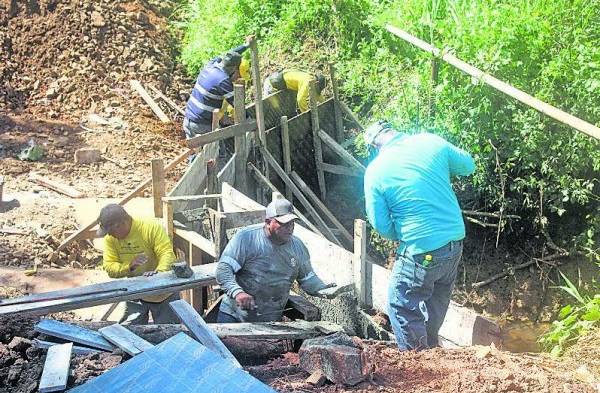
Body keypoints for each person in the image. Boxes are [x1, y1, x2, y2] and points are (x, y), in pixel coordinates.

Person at [363, 121, 475, 350]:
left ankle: (419, 360)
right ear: (395, 131)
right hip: (454, 243)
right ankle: (431, 347)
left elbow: (381, 225)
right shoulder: (430, 141)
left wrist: (407, 234)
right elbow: (468, 165)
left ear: (375, 146)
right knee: (436, 299)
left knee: (400, 304)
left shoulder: (375, 171)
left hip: (422, 250)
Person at [215, 198, 338, 323]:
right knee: (224, 342)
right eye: (284, 224)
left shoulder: (297, 247)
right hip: (234, 318)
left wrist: (323, 290)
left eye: (292, 223)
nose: (290, 228)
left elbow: (307, 278)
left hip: (270, 322)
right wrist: (238, 293)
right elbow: (223, 269)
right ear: (268, 222)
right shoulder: (247, 239)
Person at [98, 204, 179, 324]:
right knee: (131, 333)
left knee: (169, 333)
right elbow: (110, 267)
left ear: (122, 224)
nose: (109, 235)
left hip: (164, 294)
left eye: (111, 231)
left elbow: (166, 253)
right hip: (135, 293)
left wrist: (159, 273)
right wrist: (129, 266)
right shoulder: (110, 239)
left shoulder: (150, 228)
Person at [183, 36, 253, 139]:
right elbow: (238, 105)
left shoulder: (212, 64)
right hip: (202, 126)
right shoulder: (223, 81)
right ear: (234, 69)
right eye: (239, 73)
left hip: (189, 119)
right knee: (219, 154)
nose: (238, 77)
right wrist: (251, 121)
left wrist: (246, 45)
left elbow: (229, 54)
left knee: (199, 153)